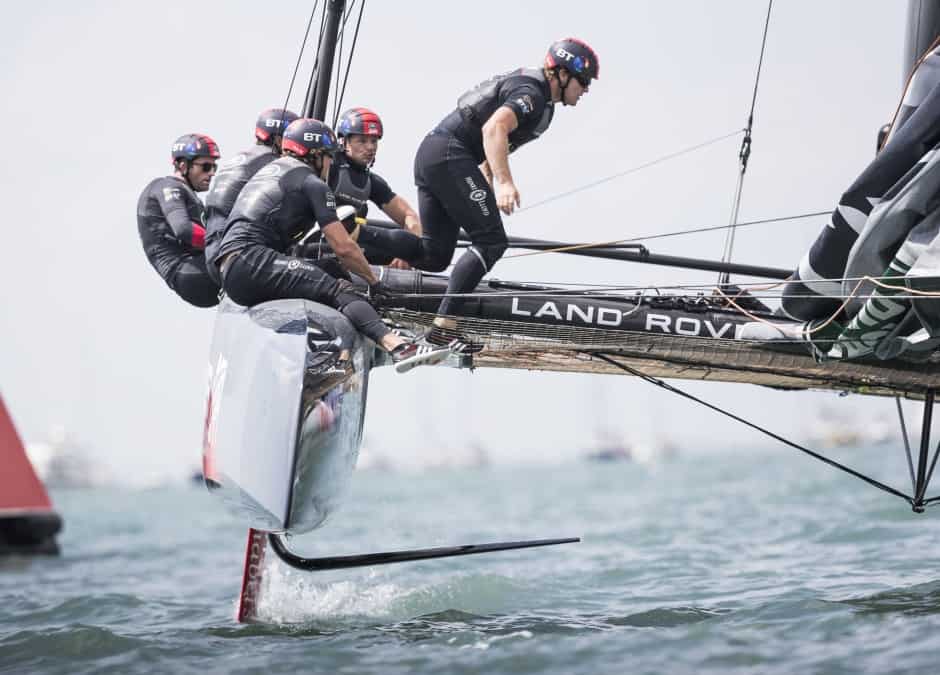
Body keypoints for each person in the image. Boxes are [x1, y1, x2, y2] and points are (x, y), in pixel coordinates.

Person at [354, 38, 599, 343]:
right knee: (492, 242)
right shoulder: (532, 94)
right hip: (448, 155)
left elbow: (494, 147)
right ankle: (446, 325)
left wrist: (488, 184)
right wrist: (505, 182)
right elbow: (493, 129)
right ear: (561, 74)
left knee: (435, 254)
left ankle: (349, 237)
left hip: (438, 155)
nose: (586, 90)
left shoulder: (541, 103)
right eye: (584, 82)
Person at [214, 118, 455, 373]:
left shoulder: (276, 170)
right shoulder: (312, 184)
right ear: (316, 156)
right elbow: (344, 248)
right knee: (340, 289)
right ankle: (399, 347)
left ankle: (347, 350)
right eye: (330, 157)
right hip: (252, 261)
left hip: (234, 269)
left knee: (331, 270)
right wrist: (375, 284)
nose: (331, 164)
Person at [204, 108, 299, 285]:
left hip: (215, 255)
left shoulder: (241, 158)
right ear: (279, 140)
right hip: (237, 257)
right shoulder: (273, 164)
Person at [329, 107, 422, 268]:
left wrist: (407, 253)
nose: (371, 147)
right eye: (362, 141)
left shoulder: (371, 182)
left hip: (350, 247)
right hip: (319, 244)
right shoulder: (328, 167)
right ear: (344, 141)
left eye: (374, 141)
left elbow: (409, 216)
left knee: (426, 253)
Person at [136, 134, 222, 307]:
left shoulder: (189, 195)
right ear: (183, 166)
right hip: (190, 273)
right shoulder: (167, 186)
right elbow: (183, 229)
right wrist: (225, 244)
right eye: (206, 166)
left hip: (195, 272)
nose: (212, 172)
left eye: (214, 166)